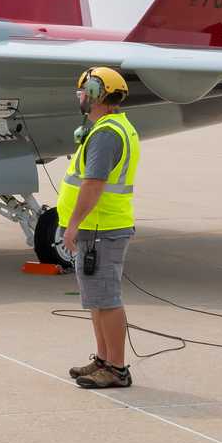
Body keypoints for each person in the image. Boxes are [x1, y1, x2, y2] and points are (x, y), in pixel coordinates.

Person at [56, 66, 141, 389]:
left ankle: (117, 369)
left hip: (100, 227)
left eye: (82, 91)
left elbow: (93, 184)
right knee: (96, 298)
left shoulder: (106, 134)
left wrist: (73, 225)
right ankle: (104, 360)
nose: (78, 96)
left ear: (95, 94)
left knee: (106, 299)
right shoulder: (113, 127)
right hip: (100, 227)